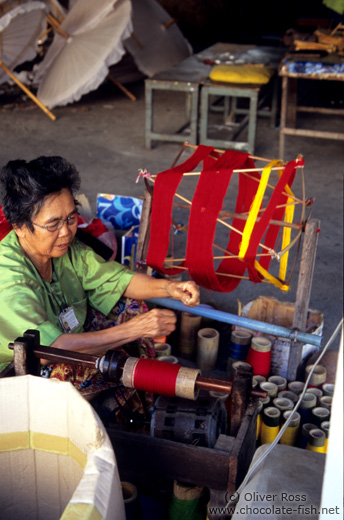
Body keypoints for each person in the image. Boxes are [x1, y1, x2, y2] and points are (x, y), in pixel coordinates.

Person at [0, 156, 199, 410]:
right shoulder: (9, 282)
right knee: (76, 371)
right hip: (21, 376)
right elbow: (52, 349)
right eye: (53, 224)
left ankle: (127, 404)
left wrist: (169, 288)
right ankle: (82, 419)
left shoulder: (62, 249)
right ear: (20, 227)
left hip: (66, 337)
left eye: (71, 218)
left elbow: (116, 279)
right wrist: (133, 330)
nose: (66, 232)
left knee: (129, 308)